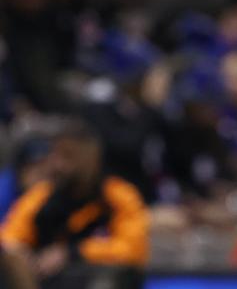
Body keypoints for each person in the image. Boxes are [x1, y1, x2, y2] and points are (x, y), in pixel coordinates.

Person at [0, 119, 149, 289]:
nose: (58, 164)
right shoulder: (42, 195)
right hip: (50, 280)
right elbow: (10, 238)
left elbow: (133, 251)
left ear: (92, 157)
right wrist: (20, 253)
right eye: (55, 155)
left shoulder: (119, 195)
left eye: (68, 155)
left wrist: (72, 253)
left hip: (96, 276)